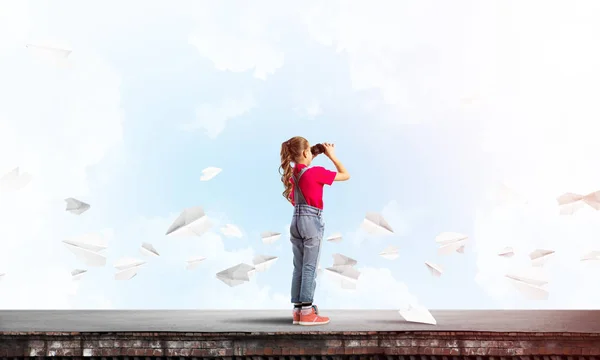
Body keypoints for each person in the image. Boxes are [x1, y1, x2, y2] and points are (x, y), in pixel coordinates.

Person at [279, 136, 350, 326]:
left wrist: (313, 152)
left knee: (299, 266)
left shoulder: (293, 174)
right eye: (309, 150)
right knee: (310, 267)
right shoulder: (316, 173)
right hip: (311, 220)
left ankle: (297, 311)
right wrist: (331, 155)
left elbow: (299, 186)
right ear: (304, 153)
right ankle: (307, 312)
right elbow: (345, 174)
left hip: (295, 220)